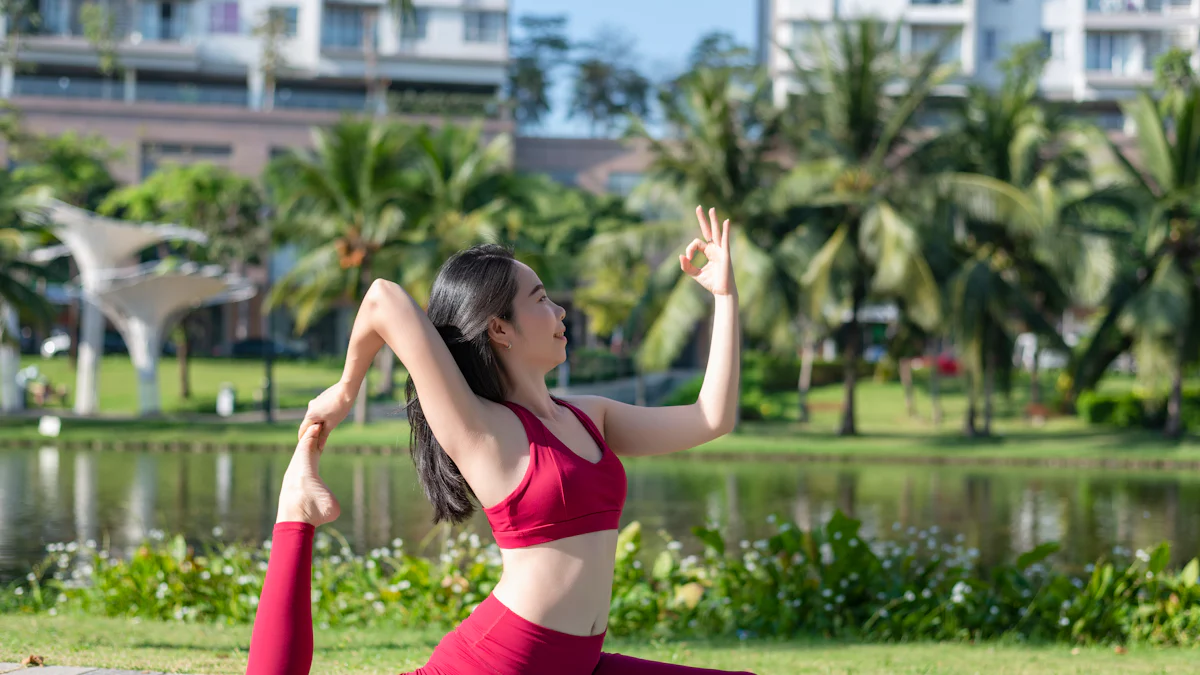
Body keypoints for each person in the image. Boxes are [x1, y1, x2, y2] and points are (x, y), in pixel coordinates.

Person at [245, 207, 753, 675]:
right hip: (501, 664)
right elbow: (382, 298)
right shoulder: (480, 428)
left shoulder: (590, 416)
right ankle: (295, 509)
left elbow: (712, 418)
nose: (560, 312)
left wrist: (724, 297)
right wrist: (344, 390)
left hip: (579, 665)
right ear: (500, 328)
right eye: (541, 300)